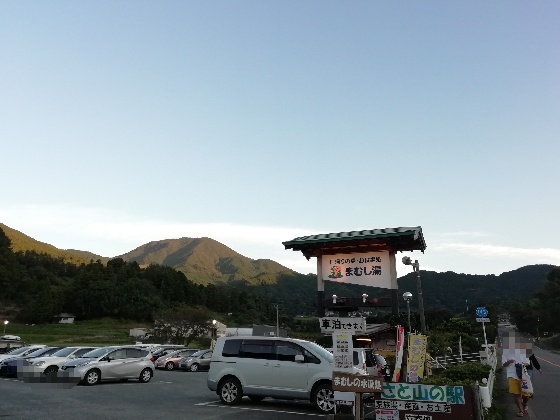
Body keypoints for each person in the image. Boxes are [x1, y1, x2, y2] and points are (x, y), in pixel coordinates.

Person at [502, 332, 531, 417]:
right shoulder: (505, 352)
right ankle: (521, 410)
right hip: (512, 375)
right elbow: (503, 364)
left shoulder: (523, 350)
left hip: (523, 375)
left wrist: (522, 364)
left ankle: (524, 404)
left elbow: (528, 362)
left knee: (526, 395)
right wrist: (509, 361)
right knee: (516, 394)